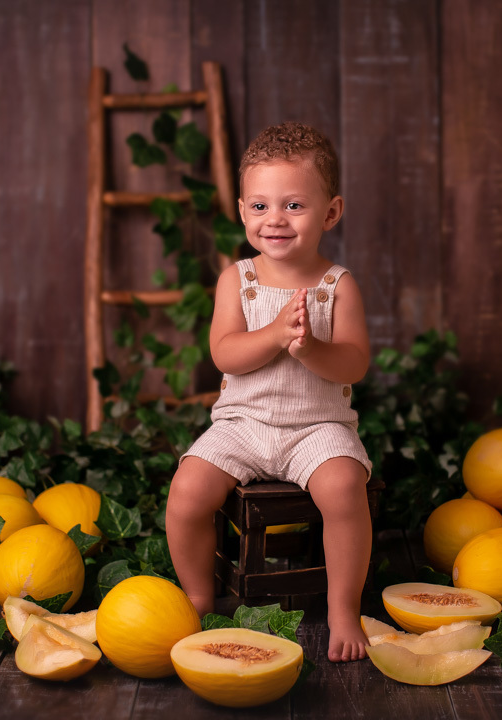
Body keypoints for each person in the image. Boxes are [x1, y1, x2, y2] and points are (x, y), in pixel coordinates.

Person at [165, 122, 374, 663]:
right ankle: (197, 597)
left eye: (294, 206)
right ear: (242, 211)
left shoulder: (336, 286)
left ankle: (343, 609)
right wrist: (277, 334)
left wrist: (311, 350)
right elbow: (225, 354)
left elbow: (355, 362)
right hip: (243, 425)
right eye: (259, 206)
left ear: (330, 212)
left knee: (344, 490)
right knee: (187, 491)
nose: (274, 219)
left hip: (317, 428)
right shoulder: (238, 281)